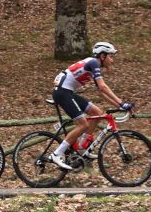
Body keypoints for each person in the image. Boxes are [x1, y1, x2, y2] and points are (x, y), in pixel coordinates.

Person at [46, 41, 134, 170]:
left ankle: (82, 148)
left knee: (97, 113)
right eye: (111, 56)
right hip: (62, 92)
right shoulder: (93, 63)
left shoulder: (94, 64)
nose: (112, 60)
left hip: (67, 91)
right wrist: (121, 102)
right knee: (83, 124)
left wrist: (119, 105)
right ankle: (57, 154)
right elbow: (103, 87)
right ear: (102, 56)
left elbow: (101, 91)